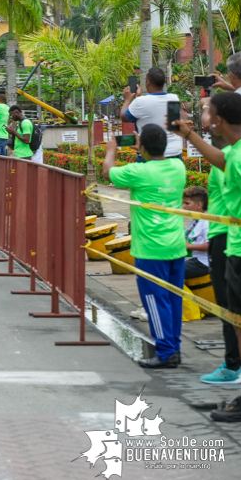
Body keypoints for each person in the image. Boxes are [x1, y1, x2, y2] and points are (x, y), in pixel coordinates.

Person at [178, 91, 241, 421]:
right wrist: (189, 135)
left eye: (208, 112)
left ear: (220, 120)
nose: (205, 116)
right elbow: (223, 160)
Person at [102, 124, 187, 369]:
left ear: (143, 147)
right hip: (176, 245)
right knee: (173, 300)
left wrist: (111, 150)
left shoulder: (138, 171)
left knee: (154, 300)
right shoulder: (178, 167)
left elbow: (108, 173)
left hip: (151, 248)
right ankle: (175, 347)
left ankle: (165, 352)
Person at [196, 106, 241, 385]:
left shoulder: (228, 161)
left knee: (229, 307)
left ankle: (234, 365)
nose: (207, 121)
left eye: (212, 116)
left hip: (227, 239)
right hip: (230, 237)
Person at [120, 67, 182, 158]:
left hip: (150, 154)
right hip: (175, 152)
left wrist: (127, 99)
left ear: (148, 82)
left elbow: (123, 117)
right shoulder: (174, 98)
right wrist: (138, 98)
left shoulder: (140, 102)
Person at [182, 185, 212, 302]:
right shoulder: (196, 220)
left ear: (199, 205)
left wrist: (189, 246)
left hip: (203, 263)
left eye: (187, 203)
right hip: (195, 260)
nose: (183, 207)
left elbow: (210, 245)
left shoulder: (206, 222)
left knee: (172, 270)